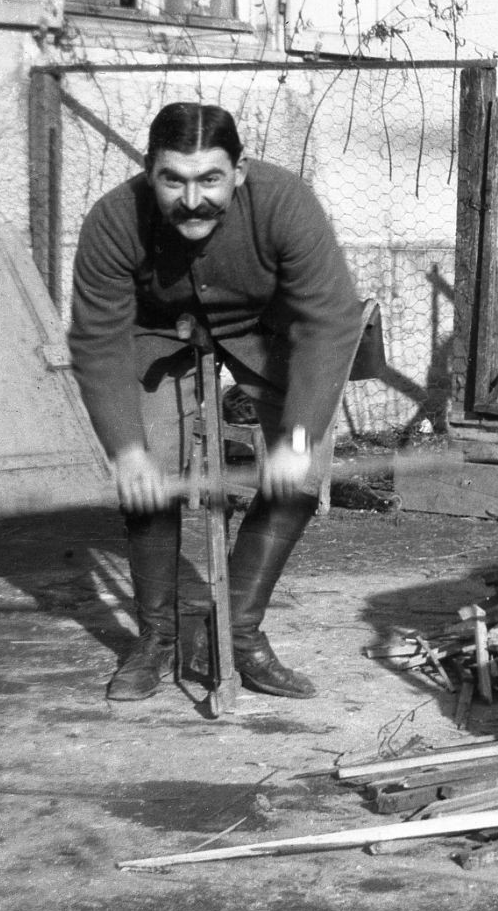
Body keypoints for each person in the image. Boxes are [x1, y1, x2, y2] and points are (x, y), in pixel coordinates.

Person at [68, 101, 364, 702]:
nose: (192, 198)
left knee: (299, 474)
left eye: (210, 179)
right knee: (148, 473)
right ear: (149, 170)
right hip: (158, 332)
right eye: (173, 179)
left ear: (240, 170)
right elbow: (99, 342)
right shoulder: (113, 220)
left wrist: (298, 440)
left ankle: (241, 634)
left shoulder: (286, 203)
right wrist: (126, 452)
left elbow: (329, 322)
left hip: (266, 330)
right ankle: (158, 638)